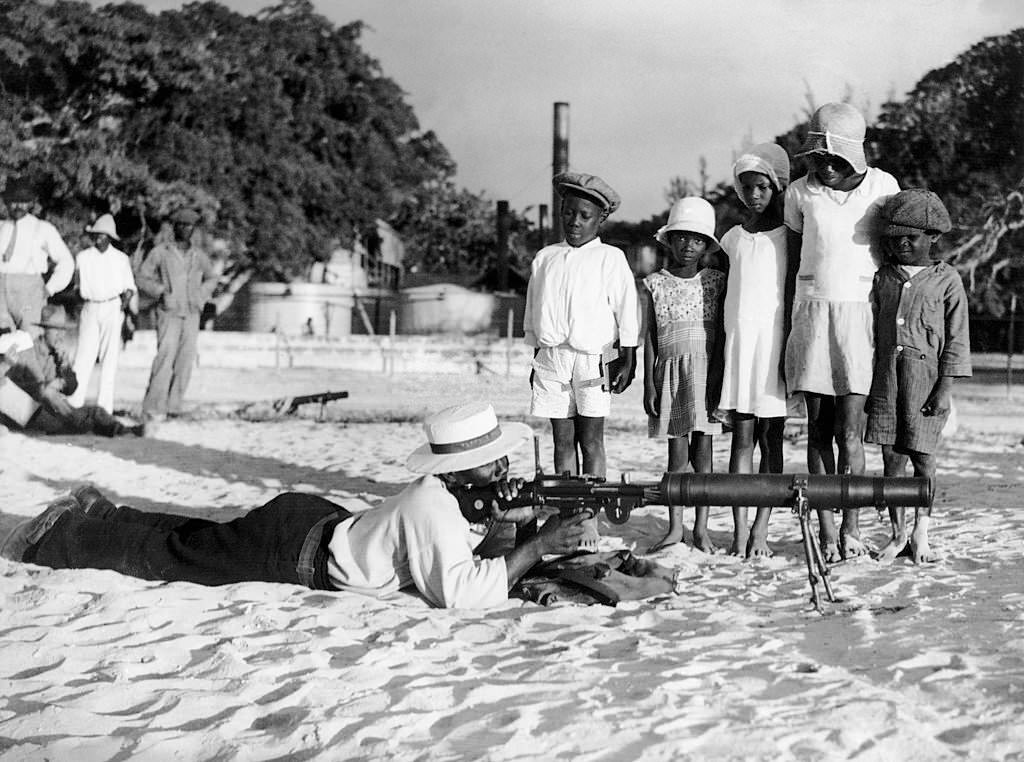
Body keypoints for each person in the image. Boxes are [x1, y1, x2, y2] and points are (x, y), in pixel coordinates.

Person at [0, 402, 589, 609]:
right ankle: (55, 537)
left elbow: (457, 559)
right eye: (491, 463)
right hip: (294, 550)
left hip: (311, 521)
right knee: (178, 555)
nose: (502, 470)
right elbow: (459, 595)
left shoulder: (446, 499)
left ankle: (99, 512)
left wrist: (509, 525)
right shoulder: (432, 506)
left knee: (198, 537)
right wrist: (535, 544)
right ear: (455, 470)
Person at [784, 102, 901, 562]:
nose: (825, 168)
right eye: (819, 158)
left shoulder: (883, 187)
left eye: (835, 159)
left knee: (850, 434)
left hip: (860, 319)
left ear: (854, 156)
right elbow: (791, 264)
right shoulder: (798, 194)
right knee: (817, 431)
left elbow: (896, 260)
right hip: (810, 316)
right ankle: (827, 530)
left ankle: (852, 529)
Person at [523, 171, 639, 551]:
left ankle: (589, 514)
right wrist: (535, 354)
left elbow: (627, 309)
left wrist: (629, 354)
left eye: (584, 216)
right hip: (552, 358)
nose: (575, 221)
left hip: (593, 359)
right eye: (569, 213)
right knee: (561, 439)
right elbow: (532, 310)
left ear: (600, 220)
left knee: (591, 439)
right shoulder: (545, 258)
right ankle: (567, 510)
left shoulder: (610, 258)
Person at [864, 190, 971, 564]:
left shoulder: (947, 280)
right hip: (886, 378)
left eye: (912, 236)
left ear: (933, 238)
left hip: (925, 379)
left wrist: (946, 387)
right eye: (895, 237)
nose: (903, 244)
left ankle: (921, 532)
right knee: (892, 458)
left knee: (923, 457)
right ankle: (897, 533)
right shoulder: (883, 277)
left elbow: (957, 339)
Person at [716, 143, 792, 558]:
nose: (754, 195)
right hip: (740, 349)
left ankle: (762, 528)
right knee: (740, 439)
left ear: (776, 187)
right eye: (747, 188)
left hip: (772, 348)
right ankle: (740, 530)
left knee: (771, 439)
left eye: (762, 187)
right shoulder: (731, 239)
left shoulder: (788, 237)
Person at [643, 198, 726, 553]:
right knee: (677, 455)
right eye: (680, 238)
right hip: (671, 376)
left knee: (703, 453)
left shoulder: (716, 282)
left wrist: (721, 375)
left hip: (705, 374)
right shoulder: (655, 284)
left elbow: (722, 334)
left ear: (707, 245)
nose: (687, 246)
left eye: (696, 239)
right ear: (669, 239)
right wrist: (649, 381)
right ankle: (676, 526)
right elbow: (648, 336)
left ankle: (702, 528)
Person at [0, 305, 143, 437]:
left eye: (62, 331)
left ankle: (123, 430)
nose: (60, 335)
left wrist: (65, 367)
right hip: (31, 413)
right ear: (43, 330)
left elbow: (71, 390)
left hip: (54, 410)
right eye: (55, 330)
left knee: (95, 412)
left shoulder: (56, 355)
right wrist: (46, 388)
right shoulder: (27, 351)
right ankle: (81, 424)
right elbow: (13, 390)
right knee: (69, 413)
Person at [136, 208, 218, 421]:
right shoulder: (161, 252)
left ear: (193, 229)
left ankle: (174, 406)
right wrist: (160, 291)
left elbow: (212, 278)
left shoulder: (198, 255)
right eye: (180, 225)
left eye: (189, 225)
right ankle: (152, 408)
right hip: (168, 313)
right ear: (173, 227)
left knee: (185, 360)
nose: (184, 229)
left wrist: (200, 296)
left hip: (191, 314)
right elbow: (142, 277)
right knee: (165, 357)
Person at [68, 214, 138, 414]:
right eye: (96, 235)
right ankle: (74, 403)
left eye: (102, 235)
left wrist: (122, 306)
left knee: (110, 358)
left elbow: (130, 287)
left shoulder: (120, 259)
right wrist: (81, 304)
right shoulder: (83, 257)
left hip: (111, 306)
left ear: (109, 237)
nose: (98, 238)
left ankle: (104, 407)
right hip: (90, 306)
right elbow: (77, 286)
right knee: (84, 356)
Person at [0, 176, 74, 340]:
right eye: (14, 201)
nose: (18, 206)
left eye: (23, 201)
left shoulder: (42, 228)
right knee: (3, 343)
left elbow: (66, 261)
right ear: (6, 202)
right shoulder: (1, 227)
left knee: (29, 340)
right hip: (1, 295)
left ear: (31, 203)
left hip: (29, 293)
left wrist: (50, 288)